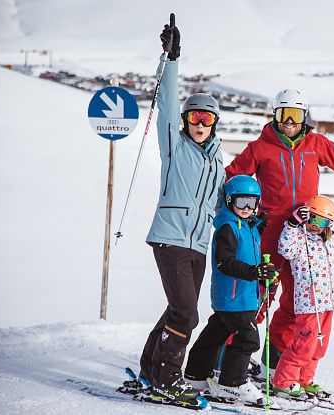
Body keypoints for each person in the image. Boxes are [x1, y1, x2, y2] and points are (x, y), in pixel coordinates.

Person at [225, 89, 334, 376]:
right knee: (257, 297)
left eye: (295, 116)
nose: (289, 122)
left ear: (304, 117)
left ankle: (275, 364)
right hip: (270, 233)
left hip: (307, 236)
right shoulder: (260, 148)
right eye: (284, 115)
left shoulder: (315, 144)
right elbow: (230, 180)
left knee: (296, 302)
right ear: (275, 116)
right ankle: (229, 360)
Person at [138, 21, 226, 406]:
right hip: (170, 238)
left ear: (215, 124)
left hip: (198, 244)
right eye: (195, 118)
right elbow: (168, 105)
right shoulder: (175, 146)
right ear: (186, 121)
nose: (200, 124)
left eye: (207, 119)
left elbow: (222, 200)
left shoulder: (219, 161)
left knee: (180, 309)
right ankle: (168, 378)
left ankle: (149, 369)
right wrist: (171, 60)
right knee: (186, 313)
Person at [183, 175, 275, 406]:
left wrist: (264, 275)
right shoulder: (227, 228)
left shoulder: (250, 227)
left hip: (241, 296)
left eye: (251, 203)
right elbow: (225, 262)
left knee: (216, 333)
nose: (246, 208)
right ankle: (231, 384)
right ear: (229, 201)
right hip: (234, 297)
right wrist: (254, 271)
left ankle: (196, 375)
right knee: (248, 339)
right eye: (240, 202)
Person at [272, 196, 334, 398]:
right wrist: (292, 224)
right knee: (303, 345)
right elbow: (284, 248)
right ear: (305, 216)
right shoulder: (299, 240)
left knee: (319, 347)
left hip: (328, 303)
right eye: (312, 218)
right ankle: (283, 382)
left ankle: (304, 379)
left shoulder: (329, 241)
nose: (315, 225)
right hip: (309, 304)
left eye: (323, 222)